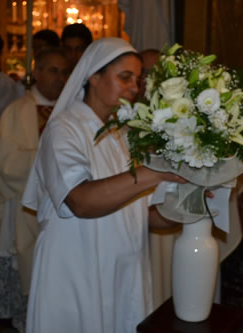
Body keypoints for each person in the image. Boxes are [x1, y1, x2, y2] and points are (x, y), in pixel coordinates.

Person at [21, 37, 186, 333]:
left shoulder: (124, 136)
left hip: (122, 272)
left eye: (137, 79)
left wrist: (191, 201)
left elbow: (148, 217)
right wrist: (154, 172)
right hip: (76, 270)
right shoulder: (64, 129)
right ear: (94, 77)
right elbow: (80, 201)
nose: (135, 89)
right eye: (125, 77)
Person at [0, 48, 69, 332]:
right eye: (52, 70)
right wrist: (50, 160)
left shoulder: (73, 110)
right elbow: (4, 163)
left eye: (64, 72)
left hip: (68, 211)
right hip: (24, 207)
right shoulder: (16, 111)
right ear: (36, 73)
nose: (60, 78)